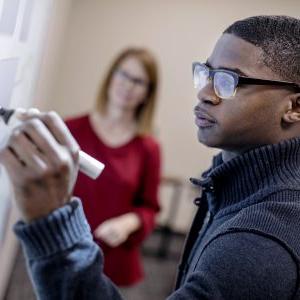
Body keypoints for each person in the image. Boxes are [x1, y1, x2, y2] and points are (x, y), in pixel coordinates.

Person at [1, 15, 300, 299]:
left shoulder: (259, 243)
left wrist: (54, 222)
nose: (205, 93)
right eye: (206, 74)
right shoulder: (232, 182)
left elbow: (148, 208)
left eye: (229, 80)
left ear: (295, 107)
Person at [64, 48, 161, 287]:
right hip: (67, 251)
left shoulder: (149, 148)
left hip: (113, 261)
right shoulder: (70, 130)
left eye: (138, 81)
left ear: (147, 94)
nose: (128, 85)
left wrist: (128, 223)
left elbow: (150, 208)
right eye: (123, 74)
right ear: (111, 77)